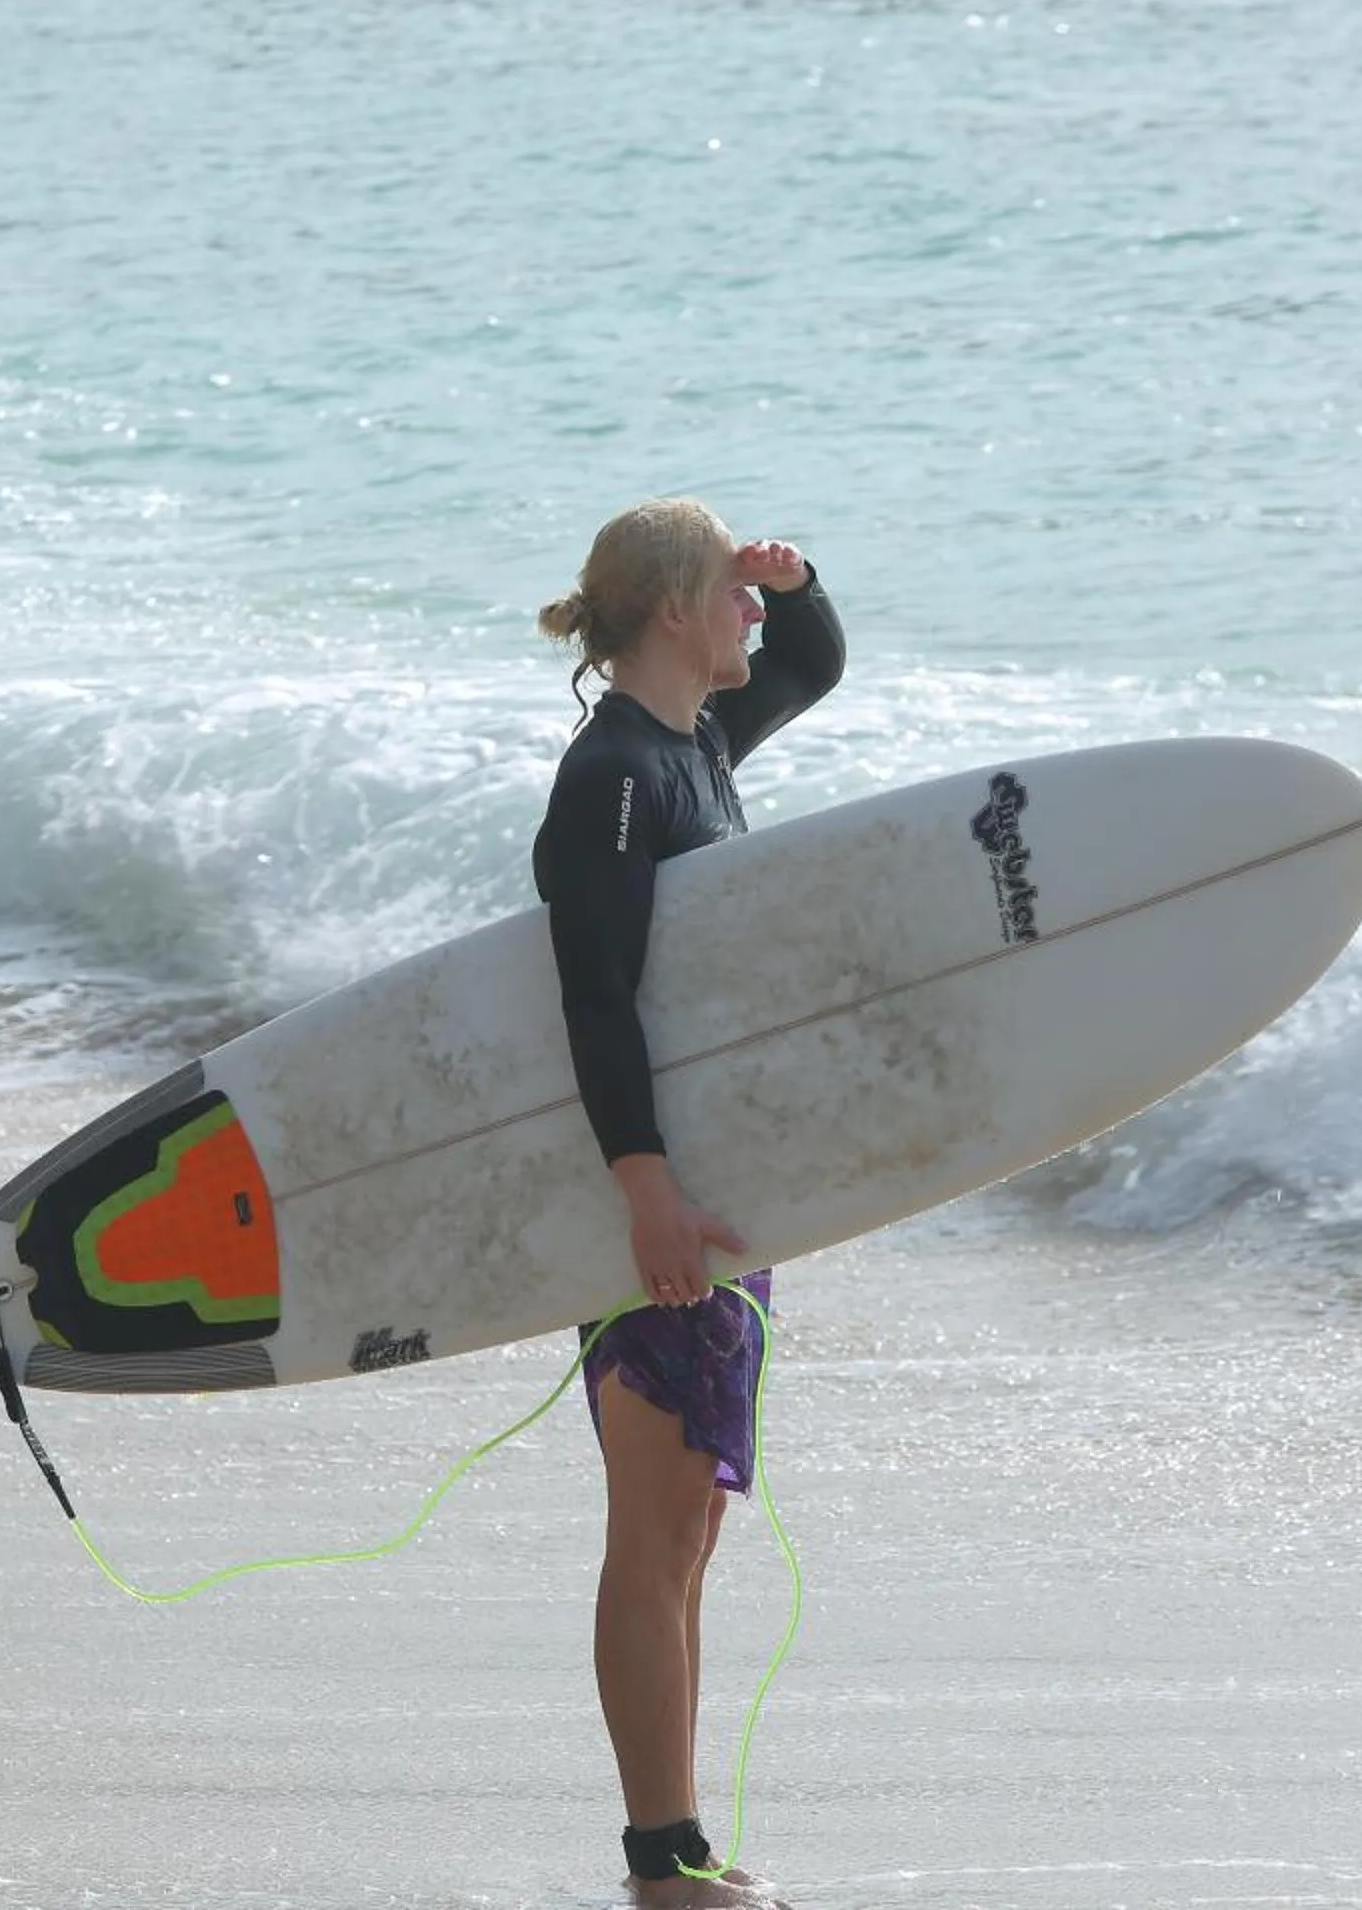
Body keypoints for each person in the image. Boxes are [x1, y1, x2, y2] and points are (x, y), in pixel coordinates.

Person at [532, 497, 845, 1906]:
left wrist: (798, 575)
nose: (751, 618)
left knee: (692, 1530)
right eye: (731, 591)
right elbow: (593, 1000)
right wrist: (645, 1193)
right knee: (651, 1528)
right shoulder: (612, 776)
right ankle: (659, 1858)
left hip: (710, 1201)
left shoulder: (695, 746)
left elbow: (814, 661)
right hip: (647, 1197)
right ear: (671, 609)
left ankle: (685, 1836)